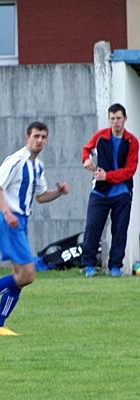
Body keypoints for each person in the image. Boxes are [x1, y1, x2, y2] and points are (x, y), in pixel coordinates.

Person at [0, 121, 70, 336]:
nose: (40, 140)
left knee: (19, 277)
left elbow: (40, 196)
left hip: (21, 221)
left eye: (43, 137)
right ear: (27, 137)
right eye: (36, 136)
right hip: (9, 221)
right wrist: (6, 212)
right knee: (28, 275)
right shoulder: (15, 161)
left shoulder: (37, 166)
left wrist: (58, 192)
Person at [79, 103, 138, 277]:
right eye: (112, 118)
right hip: (99, 191)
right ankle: (88, 266)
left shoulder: (132, 141)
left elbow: (130, 170)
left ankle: (115, 268)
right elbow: (86, 149)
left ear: (125, 119)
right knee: (92, 228)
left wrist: (108, 176)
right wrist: (86, 160)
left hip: (122, 192)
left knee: (119, 230)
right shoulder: (100, 136)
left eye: (118, 118)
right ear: (108, 119)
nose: (115, 122)